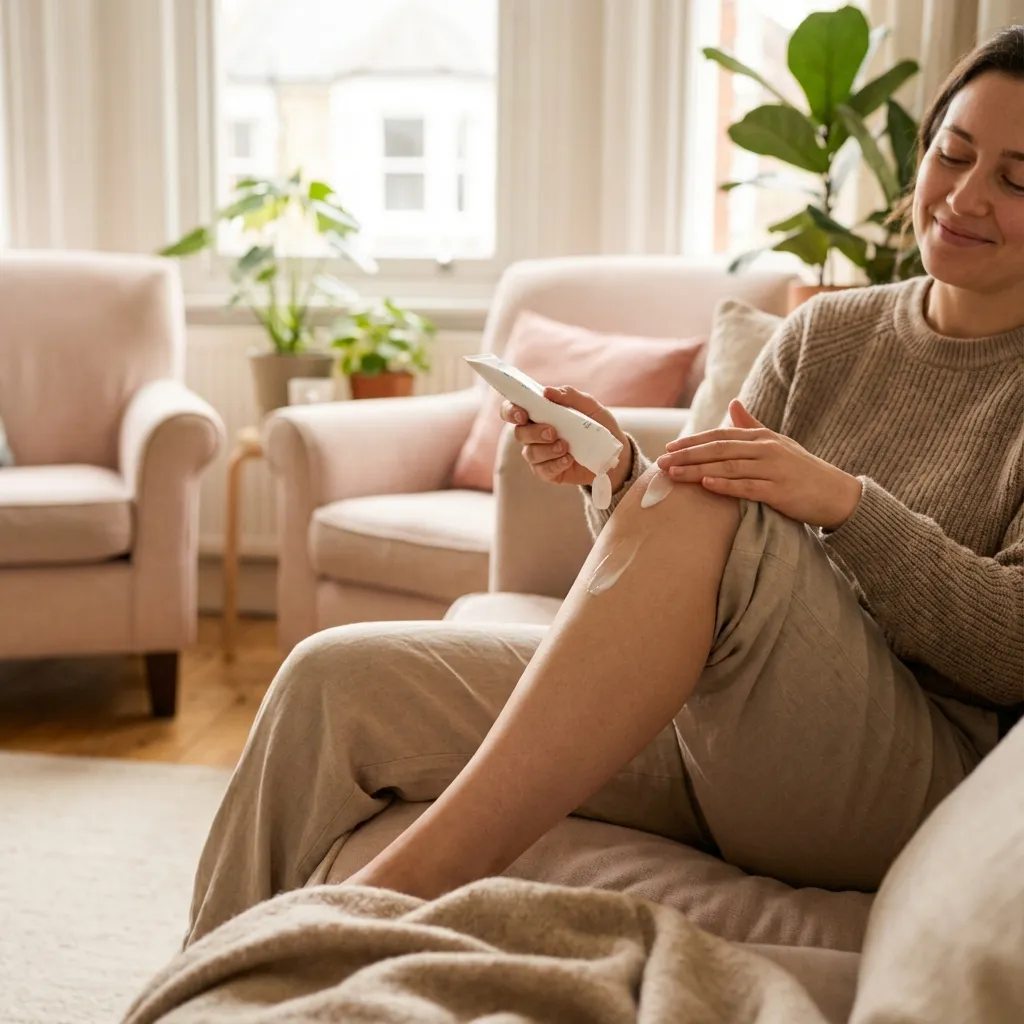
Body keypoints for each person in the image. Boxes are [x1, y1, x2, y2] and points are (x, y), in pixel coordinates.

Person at [184, 27, 1024, 947]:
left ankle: (386, 894)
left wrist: (847, 505)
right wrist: (619, 477)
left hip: (901, 775)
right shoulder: (826, 335)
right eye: (954, 153)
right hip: (719, 724)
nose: (966, 196)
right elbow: (698, 557)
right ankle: (208, 982)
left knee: (717, 499)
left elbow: (1011, 649)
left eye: (1016, 179)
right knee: (331, 682)